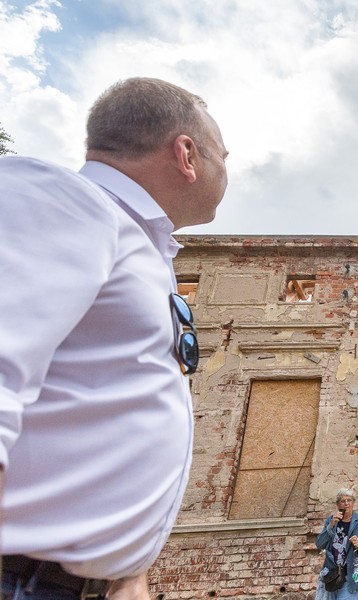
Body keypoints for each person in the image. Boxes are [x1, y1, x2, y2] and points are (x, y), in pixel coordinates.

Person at [0, 77, 229, 600]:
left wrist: (128, 570)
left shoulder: (139, 246)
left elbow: (103, 408)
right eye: (225, 156)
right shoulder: (65, 200)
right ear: (187, 154)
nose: (226, 172)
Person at [315, 489, 358, 600]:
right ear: (338, 504)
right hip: (332, 574)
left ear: (353, 503)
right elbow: (319, 544)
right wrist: (331, 526)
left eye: (349, 500)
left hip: (351, 574)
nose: (346, 503)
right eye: (343, 501)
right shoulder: (331, 520)